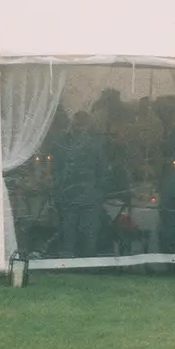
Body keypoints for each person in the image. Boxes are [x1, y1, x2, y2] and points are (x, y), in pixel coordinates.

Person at [53, 110, 112, 257]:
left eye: (80, 124)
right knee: (79, 235)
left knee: (79, 235)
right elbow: (102, 171)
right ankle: (80, 260)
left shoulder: (91, 145)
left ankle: (79, 260)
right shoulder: (67, 143)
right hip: (77, 196)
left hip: (82, 196)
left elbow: (102, 171)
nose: (78, 128)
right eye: (77, 124)